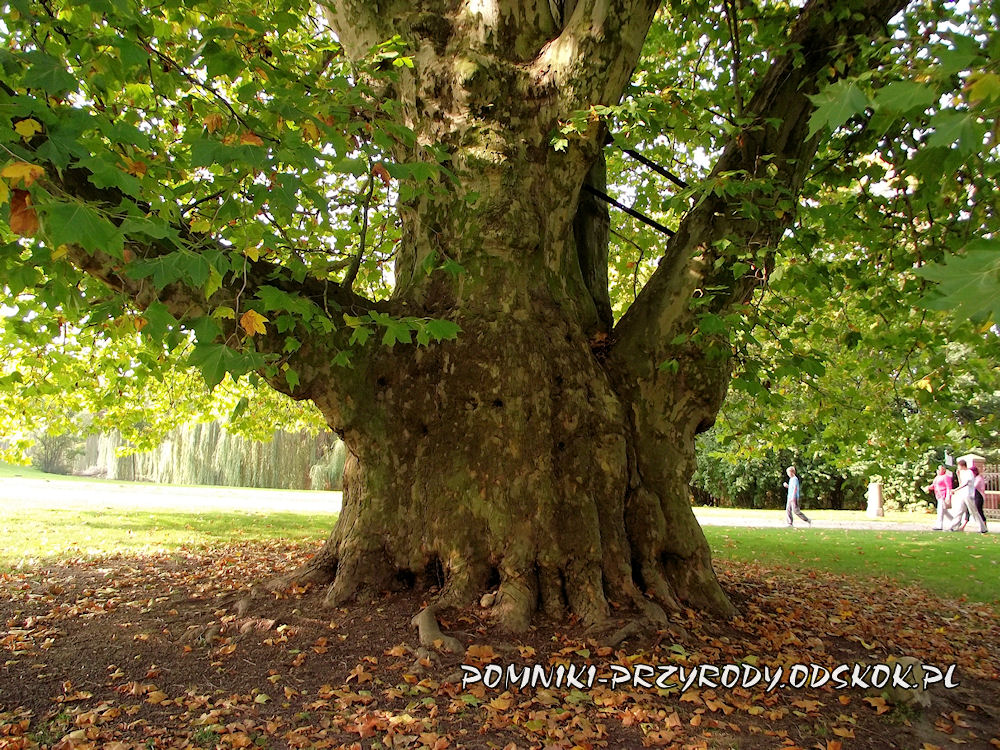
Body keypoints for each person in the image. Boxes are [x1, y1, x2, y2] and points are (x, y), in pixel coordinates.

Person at [949, 459, 988, 533]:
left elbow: (965, 483)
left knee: (973, 511)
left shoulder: (969, 472)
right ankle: (954, 526)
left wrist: (955, 490)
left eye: (958, 466)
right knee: (960, 511)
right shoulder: (963, 473)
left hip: (968, 495)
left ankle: (982, 528)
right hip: (963, 494)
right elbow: (961, 483)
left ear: (961, 465)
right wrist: (958, 475)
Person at [925, 465, 953, 530]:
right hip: (938, 495)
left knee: (940, 511)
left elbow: (949, 487)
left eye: (940, 469)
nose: (938, 471)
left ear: (943, 470)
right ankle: (955, 521)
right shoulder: (937, 477)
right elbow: (934, 485)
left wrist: (948, 496)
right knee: (945, 511)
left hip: (943, 495)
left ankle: (939, 525)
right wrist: (929, 487)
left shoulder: (946, 477)